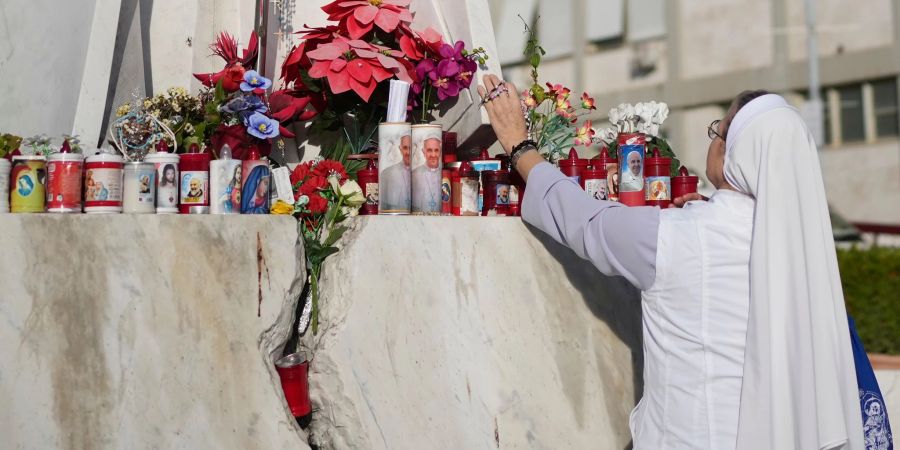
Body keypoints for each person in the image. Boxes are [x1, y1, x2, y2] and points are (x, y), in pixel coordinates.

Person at [479, 74, 872, 450]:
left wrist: (520, 147)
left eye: (718, 131)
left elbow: (585, 221)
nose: (714, 141)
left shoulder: (683, 237)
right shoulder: (802, 252)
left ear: (735, 149)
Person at [380, 133, 412, 212]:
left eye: (410, 148)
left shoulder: (420, 174)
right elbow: (384, 207)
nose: (408, 152)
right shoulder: (386, 173)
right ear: (400, 149)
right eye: (405, 148)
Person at [411, 136, 442, 212]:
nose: (433, 155)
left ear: (440, 152)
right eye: (429, 150)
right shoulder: (414, 174)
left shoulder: (445, 174)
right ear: (423, 152)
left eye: (436, 150)